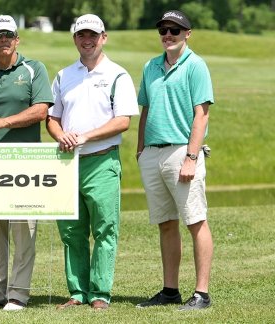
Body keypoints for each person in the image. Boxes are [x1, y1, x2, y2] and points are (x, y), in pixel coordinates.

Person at [46, 14, 139, 310]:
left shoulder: (117, 75)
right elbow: (53, 118)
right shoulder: (63, 75)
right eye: (81, 35)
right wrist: (60, 135)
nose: (87, 40)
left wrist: (85, 136)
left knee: (104, 230)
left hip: (102, 162)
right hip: (67, 163)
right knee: (71, 232)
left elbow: (122, 121)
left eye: (93, 35)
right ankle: (77, 293)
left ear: (104, 38)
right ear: (75, 39)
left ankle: (100, 294)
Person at [0, 15, 54, 311]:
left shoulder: (33, 69)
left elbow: (41, 110)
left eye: (9, 35)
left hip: (27, 161)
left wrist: (3, 121)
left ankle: (18, 293)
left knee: (23, 226)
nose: (4, 39)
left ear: (18, 39)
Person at [135, 10, 214, 311]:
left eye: (175, 31)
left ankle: (202, 294)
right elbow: (145, 109)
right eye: (164, 30)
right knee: (166, 224)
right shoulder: (150, 66)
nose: (168, 35)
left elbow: (202, 114)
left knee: (195, 220)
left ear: (187, 34)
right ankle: (170, 291)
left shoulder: (196, 66)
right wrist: (141, 149)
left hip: (183, 151)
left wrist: (191, 157)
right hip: (152, 154)